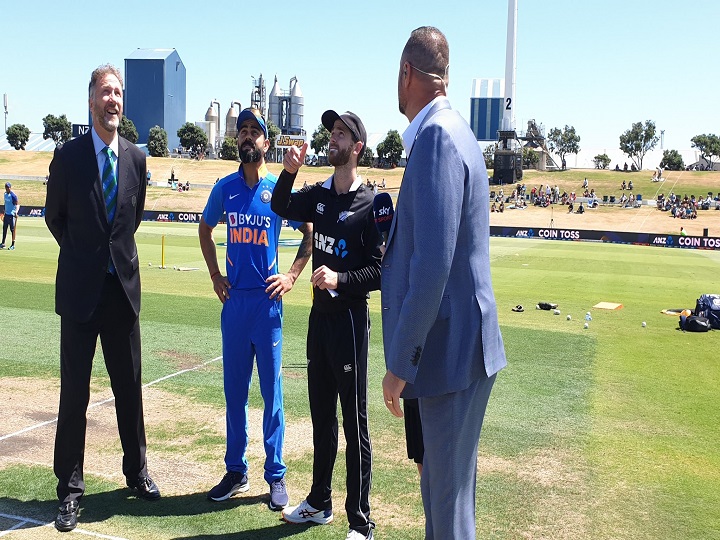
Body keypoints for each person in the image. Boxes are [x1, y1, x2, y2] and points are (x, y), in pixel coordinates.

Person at [380, 27, 507, 540]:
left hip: (449, 355)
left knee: (447, 511)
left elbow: (431, 267)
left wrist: (398, 364)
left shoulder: (436, 137)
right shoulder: (458, 131)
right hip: (464, 351)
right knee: (447, 494)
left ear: (408, 74)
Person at [44, 64, 159, 533]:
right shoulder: (67, 157)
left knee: (129, 389)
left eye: (119, 92)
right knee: (75, 395)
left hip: (121, 294)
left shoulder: (135, 159)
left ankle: (136, 472)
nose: (113, 99)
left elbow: (128, 224)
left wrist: (109, 260)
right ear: (91, 100)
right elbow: (56, 219)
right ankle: (70, 490)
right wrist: (85, 259)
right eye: (106, 92)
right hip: (79, 294)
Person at [272, 110, 381, 540]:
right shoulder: (317, 195)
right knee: (321, 418)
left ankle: (361, 521)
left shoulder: (372, 203)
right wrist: (289, 171)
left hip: (351, 323)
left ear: (356, 148)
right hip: (320, 323)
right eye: (331, 132)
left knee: (354, 424)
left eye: (340, 134)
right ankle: (319, 502)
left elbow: (380, 272)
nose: (331, 138)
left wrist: (340, 279)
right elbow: (281, 205)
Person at [198, 108, 312, 511]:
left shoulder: (276, 192)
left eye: (255, 132)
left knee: (272, 394)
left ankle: (275, 475)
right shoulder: (225, 188)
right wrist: (215, 273)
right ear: (238, 141)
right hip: (235, 306)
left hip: (267, 306)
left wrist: (293, 276)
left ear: (267, 142)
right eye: (242, 131)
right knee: (234, 395)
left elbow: (310, 233)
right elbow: (205, 228)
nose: (248, 137)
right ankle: (235, 470)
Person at [1, 182, 19, 250]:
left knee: (12, 230)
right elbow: (5, 203)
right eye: (6, 187)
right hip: (6, 215)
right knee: (4, 229)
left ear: (10, 188)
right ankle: (3, 243)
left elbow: (17, 204)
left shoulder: (13, 196)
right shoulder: (5, 194)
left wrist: (16, 212)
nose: (7, 188)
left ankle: (13, 245)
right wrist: (4, 212)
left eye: (8, 187)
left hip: (12, 215)